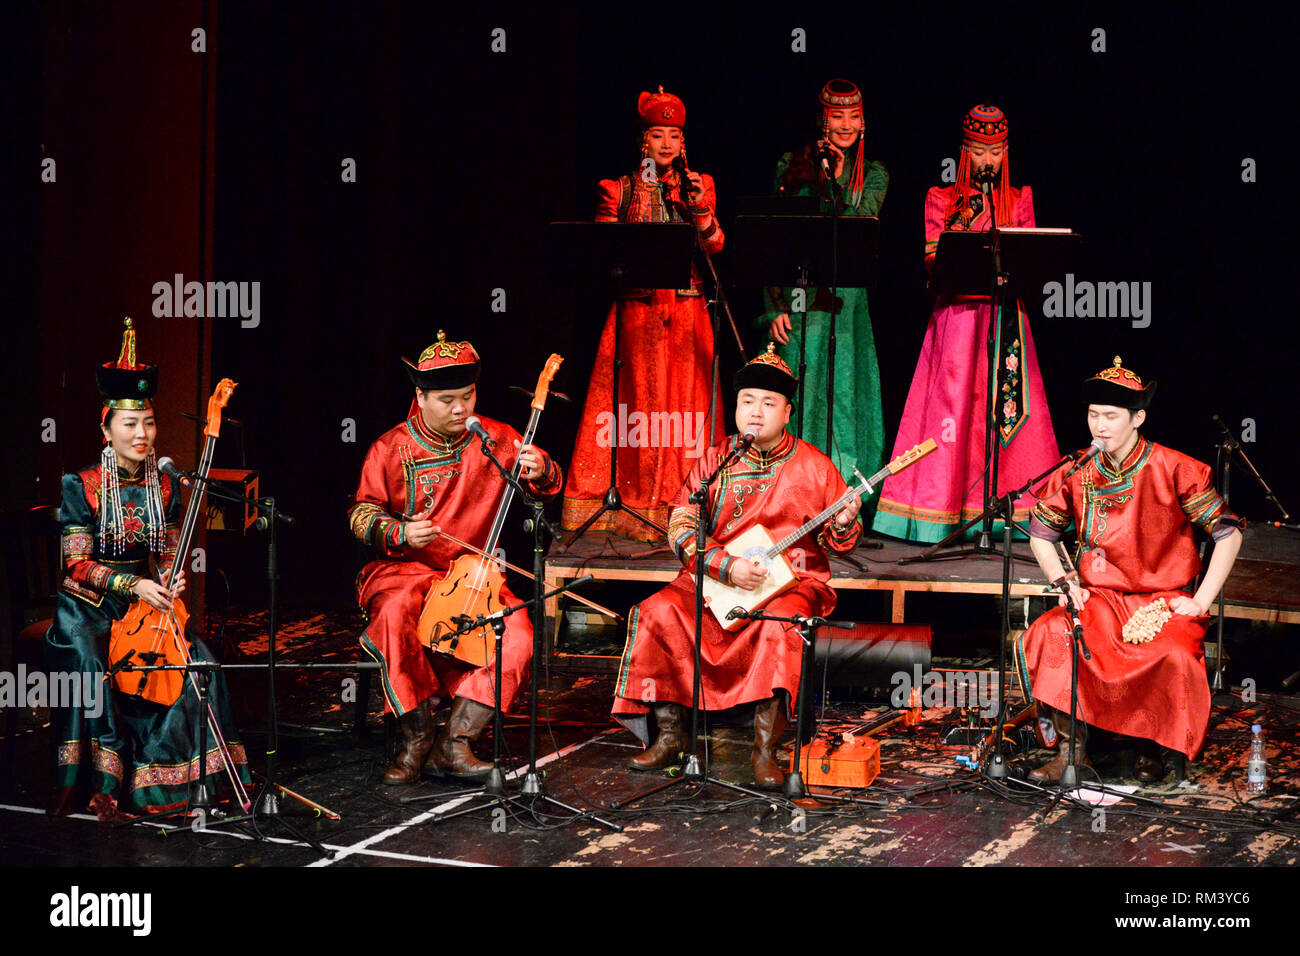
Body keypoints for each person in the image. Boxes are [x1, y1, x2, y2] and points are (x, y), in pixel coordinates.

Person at [612, 345, 862, 789]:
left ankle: (765, 751)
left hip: (792, 583)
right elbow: (682, 523)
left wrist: (844, 521)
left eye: (769, 403)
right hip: (717, 580)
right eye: (748, 401)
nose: (756, 412)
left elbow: (841, 542)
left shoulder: (816, 467)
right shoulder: (714, 461)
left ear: (787, 412)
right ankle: (671, 737)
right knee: (656, 611)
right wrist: (724, 567)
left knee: (779, 624)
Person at [45, 318, 250, 822]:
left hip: (144, 607)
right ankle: (92, 786)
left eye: (149, 423)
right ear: (106, 428)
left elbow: (168, 549)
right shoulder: (81, 484)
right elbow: (76, 563)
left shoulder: (165, 483)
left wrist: (169, 576)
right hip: (88, 606)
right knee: (95, 664)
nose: (142, 433)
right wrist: (130, 581)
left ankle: (183, 780)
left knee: (198, 658)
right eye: (130, 424)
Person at [1016, 357, 1244, 784]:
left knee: (1172, 655)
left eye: (1111, 417)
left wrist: (1200, 600)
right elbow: (1041, 532)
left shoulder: (1176, 468)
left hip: (1162, 601)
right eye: (1093, 415)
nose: (1098, 426)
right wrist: (1064, 583)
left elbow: (1228, 534)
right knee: (1055, 631)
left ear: (1138, 417)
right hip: (1101, 597)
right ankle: (1072, 751)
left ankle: (1156, 747)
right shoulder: (1077, 468)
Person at [350, 331, 562, 784]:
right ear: (420, 397)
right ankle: (417, 738)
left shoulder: (497, 439)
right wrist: (400, 531)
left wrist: (543, 470)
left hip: (472, 576)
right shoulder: (390, 448)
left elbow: (545, 481)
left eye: (467, 397)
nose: (461, 410)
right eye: (447, 400)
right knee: (394, 614)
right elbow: (360, 515)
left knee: (517, 634)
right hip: (402, 570)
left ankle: (456, 743)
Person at [874, 104, 1060, 542]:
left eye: (995, 152)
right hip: (957, 319)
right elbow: (932, 263)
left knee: (1008, 413)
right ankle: (938, 512)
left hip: (1007, 319)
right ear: (964, 152)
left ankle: (1007, 512)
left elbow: (1033, 263)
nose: (988, 161)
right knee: (952, 413)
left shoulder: (1021, 198)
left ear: (1006, 152)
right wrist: (966, 222)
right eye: (979, 151)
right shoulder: (941, 199)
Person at [561, 86, 725, 542]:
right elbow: (600, 255)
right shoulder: (618, 189)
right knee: (640, 408)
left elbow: (716, 246)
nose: (668, 144)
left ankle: (687, 505)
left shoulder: (701, 184)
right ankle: (632, 507)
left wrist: (698, 207)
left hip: (689, 311)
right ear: (643, 142)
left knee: (687, 409)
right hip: (636, 315)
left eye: (675, 135)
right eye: (658, 135)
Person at [757, 78, 888, 487]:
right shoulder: (791, 164)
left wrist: (843, 175)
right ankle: (788, 489)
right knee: (801, 391)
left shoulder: (874, 173)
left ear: (863, 122)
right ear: (822, 121)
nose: (846, 125)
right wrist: (773, 306)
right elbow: (774, 239)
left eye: (854, 117)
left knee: (845, 396)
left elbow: (857, 230)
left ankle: (843, 495)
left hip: (846, 302)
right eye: (837, 117)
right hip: (800, 296)